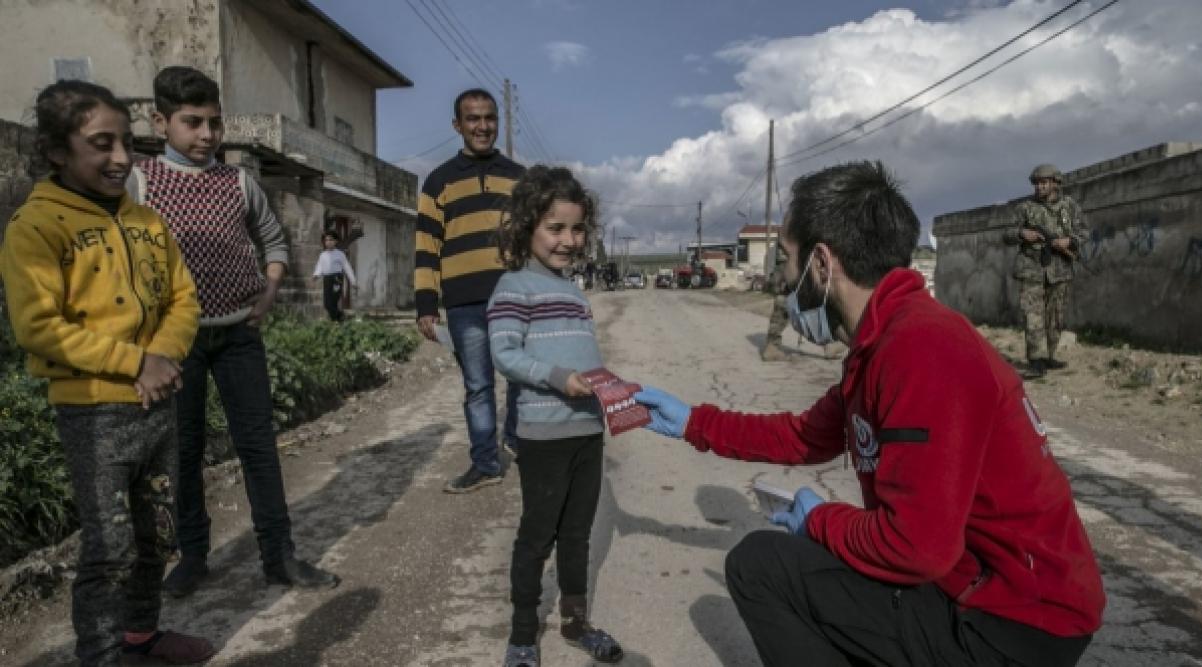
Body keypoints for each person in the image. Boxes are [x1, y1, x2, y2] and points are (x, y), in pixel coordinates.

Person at [635, 161, 1104, 667]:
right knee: (813, 561)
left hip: (1012, 623)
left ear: (821, 263)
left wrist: (820, 518)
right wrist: (691, 422)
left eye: (786, 261)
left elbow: (917, 548)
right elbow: (804, 437)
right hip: (976, 587)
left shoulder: (922, 349)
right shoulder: (883, 342)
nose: (784, 280)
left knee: (760, 566)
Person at [0, 80, 214, 665]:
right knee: (110, 544)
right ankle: (101, 653)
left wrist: (162, 356)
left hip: (157, 402)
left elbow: (184, 299)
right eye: (101, 143)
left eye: (126, 141)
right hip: (95, 411)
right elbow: (39, 327)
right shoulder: (36, 228)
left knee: (156, 535)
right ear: (56, 151)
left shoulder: (148, 221)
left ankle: (142, 635)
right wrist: (135, 361)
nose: (121, 158)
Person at [129, 66, 338, 597]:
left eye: (215, 124)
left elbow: (273, 241)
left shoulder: (238, 182)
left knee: (258, 446)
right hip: (177, 345)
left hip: (238, 336)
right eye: (192, 123)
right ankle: (194, 556)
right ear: (160, 121)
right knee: (185, 451)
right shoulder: (140, 183)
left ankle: (279, 556)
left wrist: (268, 291)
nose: (206, 136)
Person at [488, 166, 624, 667]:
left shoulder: (575, 291)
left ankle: (575, 622)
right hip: (544, 436)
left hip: (588, 431)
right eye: (555, 227)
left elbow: (584, 357)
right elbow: (504, 354)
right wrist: (557, 377)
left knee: (577, 534)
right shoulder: (513, 287)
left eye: (577, 228)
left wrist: (611, 389)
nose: (569, 240)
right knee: (536, 535)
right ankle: (523, 635)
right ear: (527, 226)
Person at [415, 88, 525, 492]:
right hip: (463, 303)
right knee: (478, 386)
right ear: (457, 126)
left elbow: (534, 240)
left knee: (520, 376)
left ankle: (517, 440)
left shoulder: (519, 178)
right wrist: (426, 303)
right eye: (473, 119)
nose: (483, 126)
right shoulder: (438, 182)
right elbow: (427, 246)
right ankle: (485, 462)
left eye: (489, 118)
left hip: (513, 299)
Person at [1002, 164, 1088, 378]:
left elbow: (1084, 232)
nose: (1040, 187)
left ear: (1055, 183)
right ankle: (1036, 359)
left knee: (1055, 316)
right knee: (1033, 316)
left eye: (1044, 183)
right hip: (1031, 268)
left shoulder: (1070, 207)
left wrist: (1069, 241)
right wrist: (1023, 234)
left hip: (1060, 269)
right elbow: (1006, 233)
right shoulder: (1025, 208)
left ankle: (1049, 355)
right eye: (1037, 183)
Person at [312, 230, 357, 322]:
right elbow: (320, 266)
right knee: (327, 304)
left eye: (331, 240)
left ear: (336, 241)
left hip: (337, 279)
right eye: (326, 240)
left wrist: (353, 281)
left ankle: (336, 321)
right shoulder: (323, 255)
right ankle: (339, 318)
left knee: (333, 301)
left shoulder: (340, 254)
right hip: (327, 279)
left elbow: (347, 268)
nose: (328, 242)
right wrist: (316, 275)